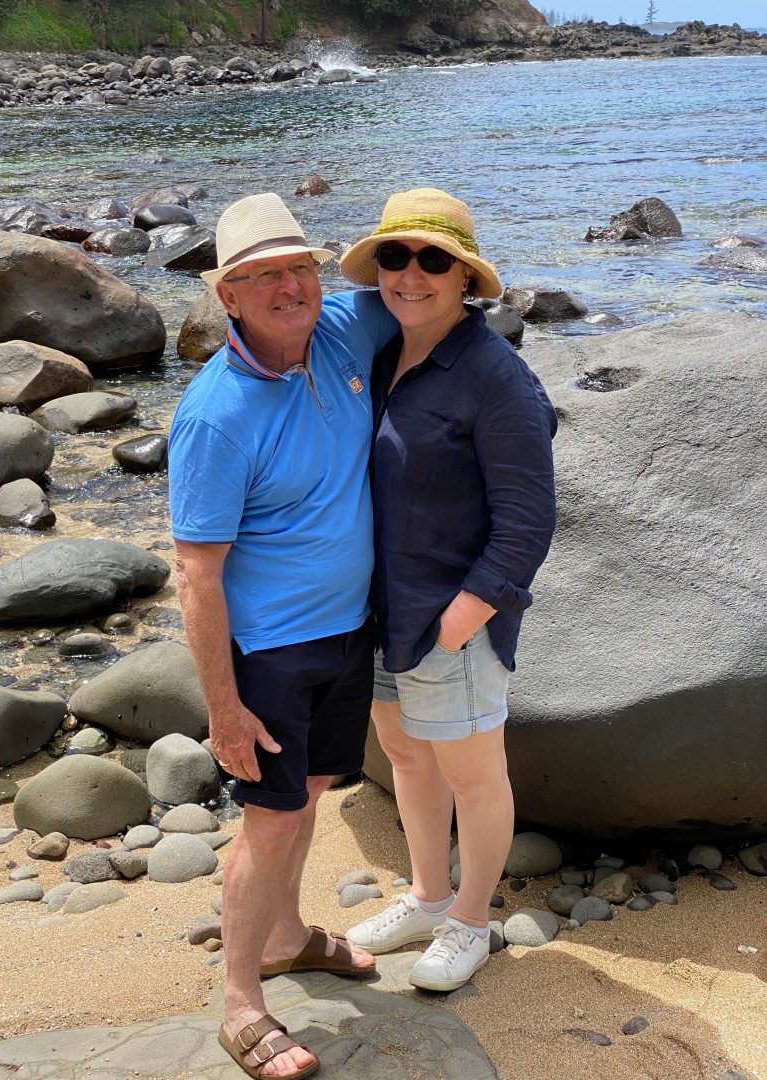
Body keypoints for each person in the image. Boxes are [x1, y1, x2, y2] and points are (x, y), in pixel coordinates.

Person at [168, 192, 396, 1080]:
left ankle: (291, 936)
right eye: (260, 277)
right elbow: (197, 576)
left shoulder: (342, 330)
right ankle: (240, 1002)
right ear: (227, 297)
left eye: (299, 267)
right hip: (269, 651)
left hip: (347, 630)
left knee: (312, 789)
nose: (288, 288)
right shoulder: (215, 415)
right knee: (272, 817)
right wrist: (222, 711)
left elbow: (426, 285)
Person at [339, 188, 557, 992]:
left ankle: (471, 921)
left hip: (450, 620)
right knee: (405, 758)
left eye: (435, 259)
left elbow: (529, 521)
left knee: (474, 775)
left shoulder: (494, 376)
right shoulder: (381, 355)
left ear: (465, 277)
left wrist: (463, 621)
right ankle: (428, 898)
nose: (411, 275)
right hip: (380, 615)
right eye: (395, 257)